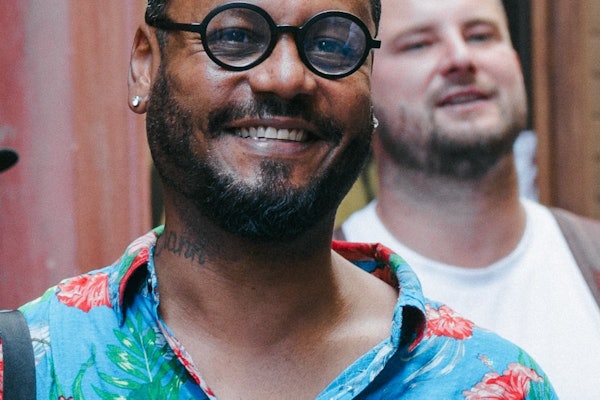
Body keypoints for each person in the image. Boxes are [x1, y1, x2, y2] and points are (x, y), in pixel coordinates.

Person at [6, 0, 557, 398]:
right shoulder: (31, 365)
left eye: (332, 44)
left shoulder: (489, 382)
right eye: (235, 35)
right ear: (146, 65)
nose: (288, 78)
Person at [336, 0, 600, 398]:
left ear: (516, 62)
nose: (461, 59)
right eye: (418, 44)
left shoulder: (592, 259)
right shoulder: (317, 290)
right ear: (362, 85)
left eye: (480, 36)